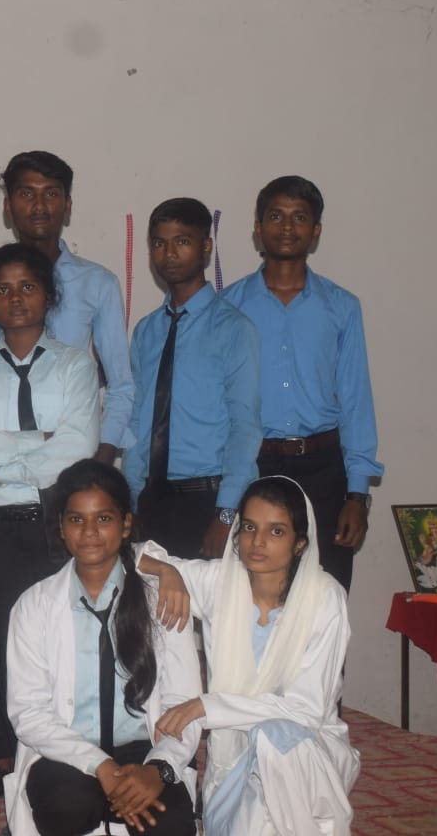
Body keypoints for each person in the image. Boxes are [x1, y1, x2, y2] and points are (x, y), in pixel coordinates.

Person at [140, 476, 359, 836]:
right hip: (231, 758)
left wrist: (205, 706)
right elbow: (130, 554)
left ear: (300, 543)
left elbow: (305, 711)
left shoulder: (324, 598)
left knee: (276, 738)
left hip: (304, 758)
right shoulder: (220, 583)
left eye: (276, 531)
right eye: (249, 527)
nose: (258, 542)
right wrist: (167, 571)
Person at [0, 245, 100, 805]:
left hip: (53, 524)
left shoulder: (75, 365)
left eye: (27, 286)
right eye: (3, 289)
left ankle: (62, 751)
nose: (15, 298)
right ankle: (1, 758)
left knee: (58, 639)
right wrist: (36, 444)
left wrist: (4, 463)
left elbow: (78, 446)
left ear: (49, 294)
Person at [2, 460, 200, 836]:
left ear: (126, 525)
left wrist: (159, 768)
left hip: (145, 749)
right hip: (67, 751)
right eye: (76, 519)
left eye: (104, 519)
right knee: (67, 806)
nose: (90, 532)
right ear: (61, 527)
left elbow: (184, 705)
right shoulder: (33, 605)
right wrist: (100, 765)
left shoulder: (161, 599)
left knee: (170, 824)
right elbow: (28, 712)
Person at [0, 152, 131, 462]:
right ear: (7, 207)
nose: (39, 206)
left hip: (67, 457)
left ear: (68, 205)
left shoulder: (97, 283)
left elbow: (120, 386)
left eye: (51, 194)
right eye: (27, 194)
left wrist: (100, 464)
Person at [222, 176, 381, 590]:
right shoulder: (228, 307)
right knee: (249, 596)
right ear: (258, 227)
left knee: (326, 594)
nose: (287, 228)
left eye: (300, 218)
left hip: (324, 470)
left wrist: (356, 494)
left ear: (316, 231)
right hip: (252, 467)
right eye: (276, 216)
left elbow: (356, 401)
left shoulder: (342, 307)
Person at [126, 198, 261, 560]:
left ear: (206, 247)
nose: (169, 253)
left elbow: (245, 426)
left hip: (208, 501)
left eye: (182, 241)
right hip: (151, 501)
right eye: (159, 243)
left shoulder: (234, 329)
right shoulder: (146, 331)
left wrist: (226, 513)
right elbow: (137, 420)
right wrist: (131, 498)